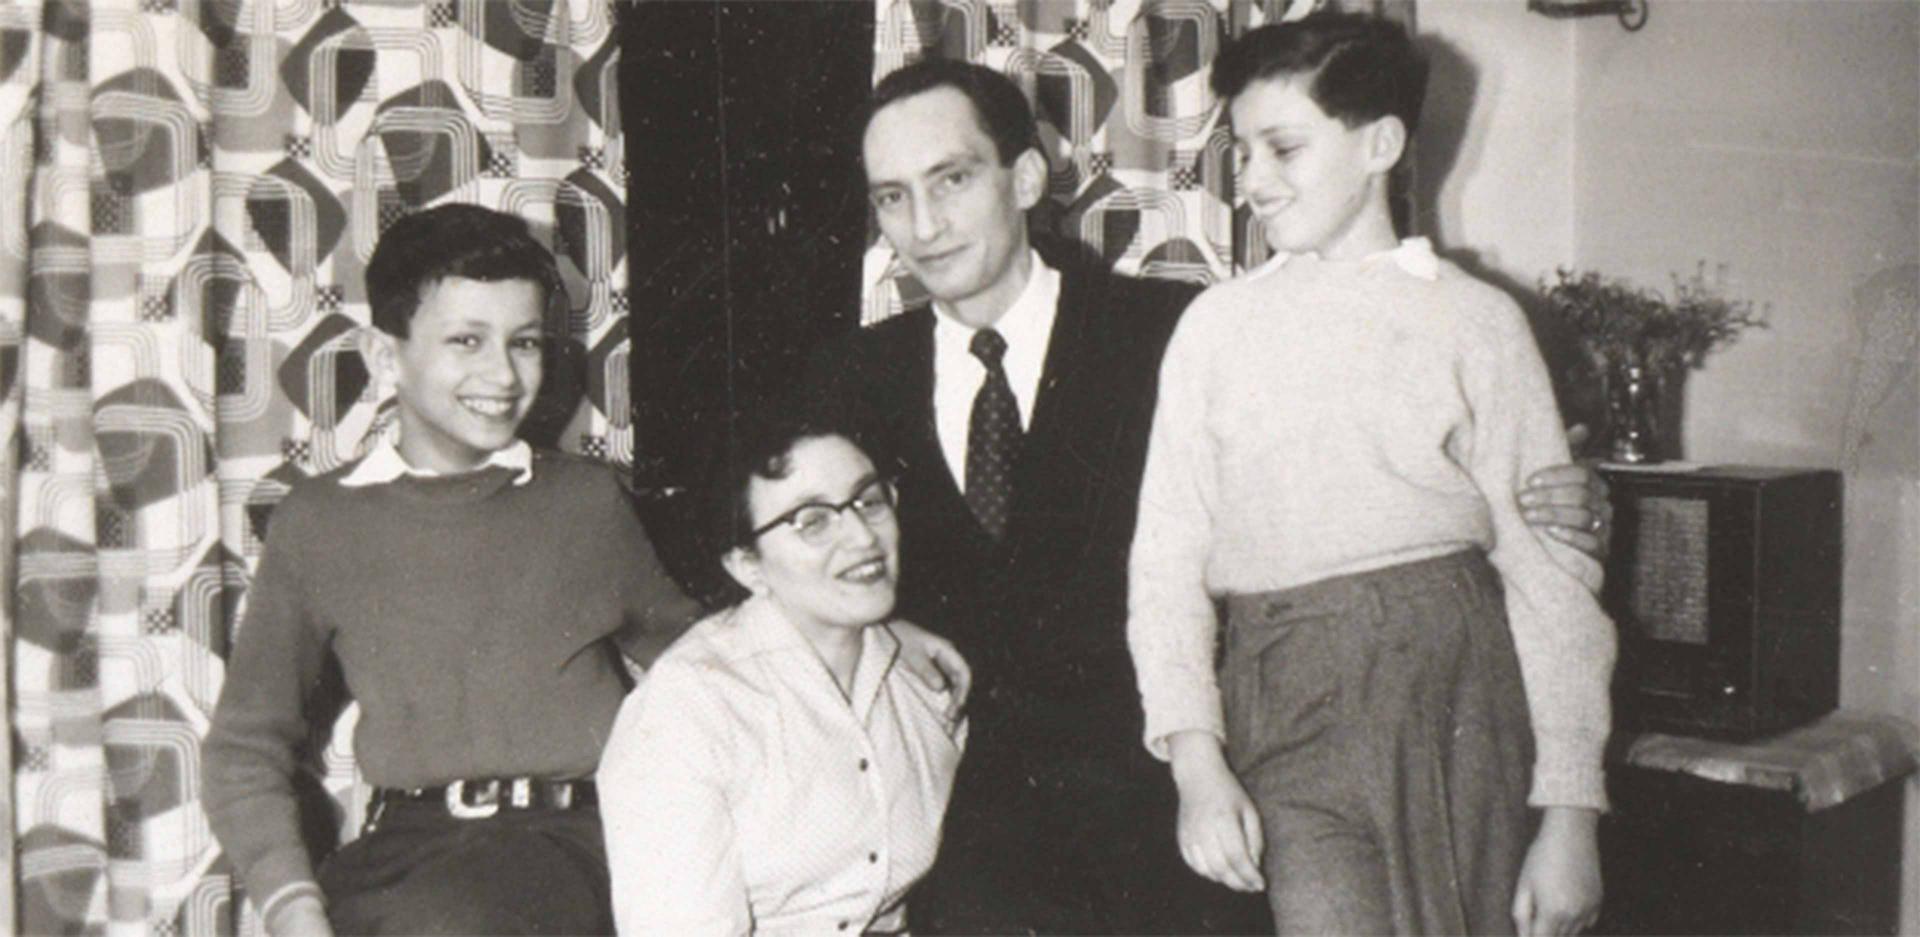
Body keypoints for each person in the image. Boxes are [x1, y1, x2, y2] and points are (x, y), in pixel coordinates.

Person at [806, 58, 1613, 935]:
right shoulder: (851, 378)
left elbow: (1377, 461)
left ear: (1026, 176)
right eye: (890, 198)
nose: (922, 226)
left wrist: (1568, 498)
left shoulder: (1179, 328)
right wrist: (875, 620)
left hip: (1198, 784)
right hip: (983, 812)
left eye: (951, 180)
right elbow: (745, 545)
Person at [202, 204, 967, 937]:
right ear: (383, 354)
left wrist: (869, 625)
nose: (503, 374)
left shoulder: (583, 499)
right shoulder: (319, 523)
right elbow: (245, 749)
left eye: (526, 341)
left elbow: (711, 652)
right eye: (466, 341)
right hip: (407, 853)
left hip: (574, 842)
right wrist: (293, 906)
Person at [1127, 14, 1614, 937]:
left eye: (1285, 148)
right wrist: (1196, 762)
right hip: (1284, 690)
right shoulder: (1214, 332)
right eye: (1243, 151)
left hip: (1462, 689)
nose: (1254, 180)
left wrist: (1571, 815)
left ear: (1381, 143)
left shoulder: (1479, 323)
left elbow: (1552, 582)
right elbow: (1164, 564)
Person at [598, 415, 965, 935]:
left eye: (870, 500)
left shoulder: (924, 681)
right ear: (747, 566)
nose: (862, 536)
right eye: (812, 521)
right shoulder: (692, 709)